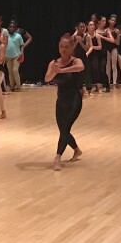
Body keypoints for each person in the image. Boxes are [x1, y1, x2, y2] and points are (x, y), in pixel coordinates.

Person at [45, 34, 85, 171]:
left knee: (65, 130)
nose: (63, 49)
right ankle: (77, 150)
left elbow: (80, 68)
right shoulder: (54, 63)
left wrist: (62, 70)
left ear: (71, 48)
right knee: (63, 130)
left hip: (75, 101)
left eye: (66, 47)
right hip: (60, 101)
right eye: (61, 46)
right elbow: (47, 78)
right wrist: (54, 72)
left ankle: (57, 159)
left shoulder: (75, 61)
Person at [4, 21, 25, 91]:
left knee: (15, 70)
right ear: (8, 28)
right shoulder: (6, 36)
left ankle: (18, 86)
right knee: (10, 71)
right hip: (8, 56)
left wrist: (22, 53)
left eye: (13, 27)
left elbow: (22, 45)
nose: (11, 28)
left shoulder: (18, 36)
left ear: (15, 28)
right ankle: (12, 86)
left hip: (17, 56)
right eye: (10, 27)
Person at [86, 20, 103, 94]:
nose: (92, 26)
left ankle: (98, 87)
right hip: (87, 55)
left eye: (93, 25)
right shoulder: (85, 35)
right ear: (87, 26)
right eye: (90, 25)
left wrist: (92, 47)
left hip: (95, 55)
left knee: (96, 70)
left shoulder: (97, 35)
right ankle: (89, 89)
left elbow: (100, 47)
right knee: (88, 71)